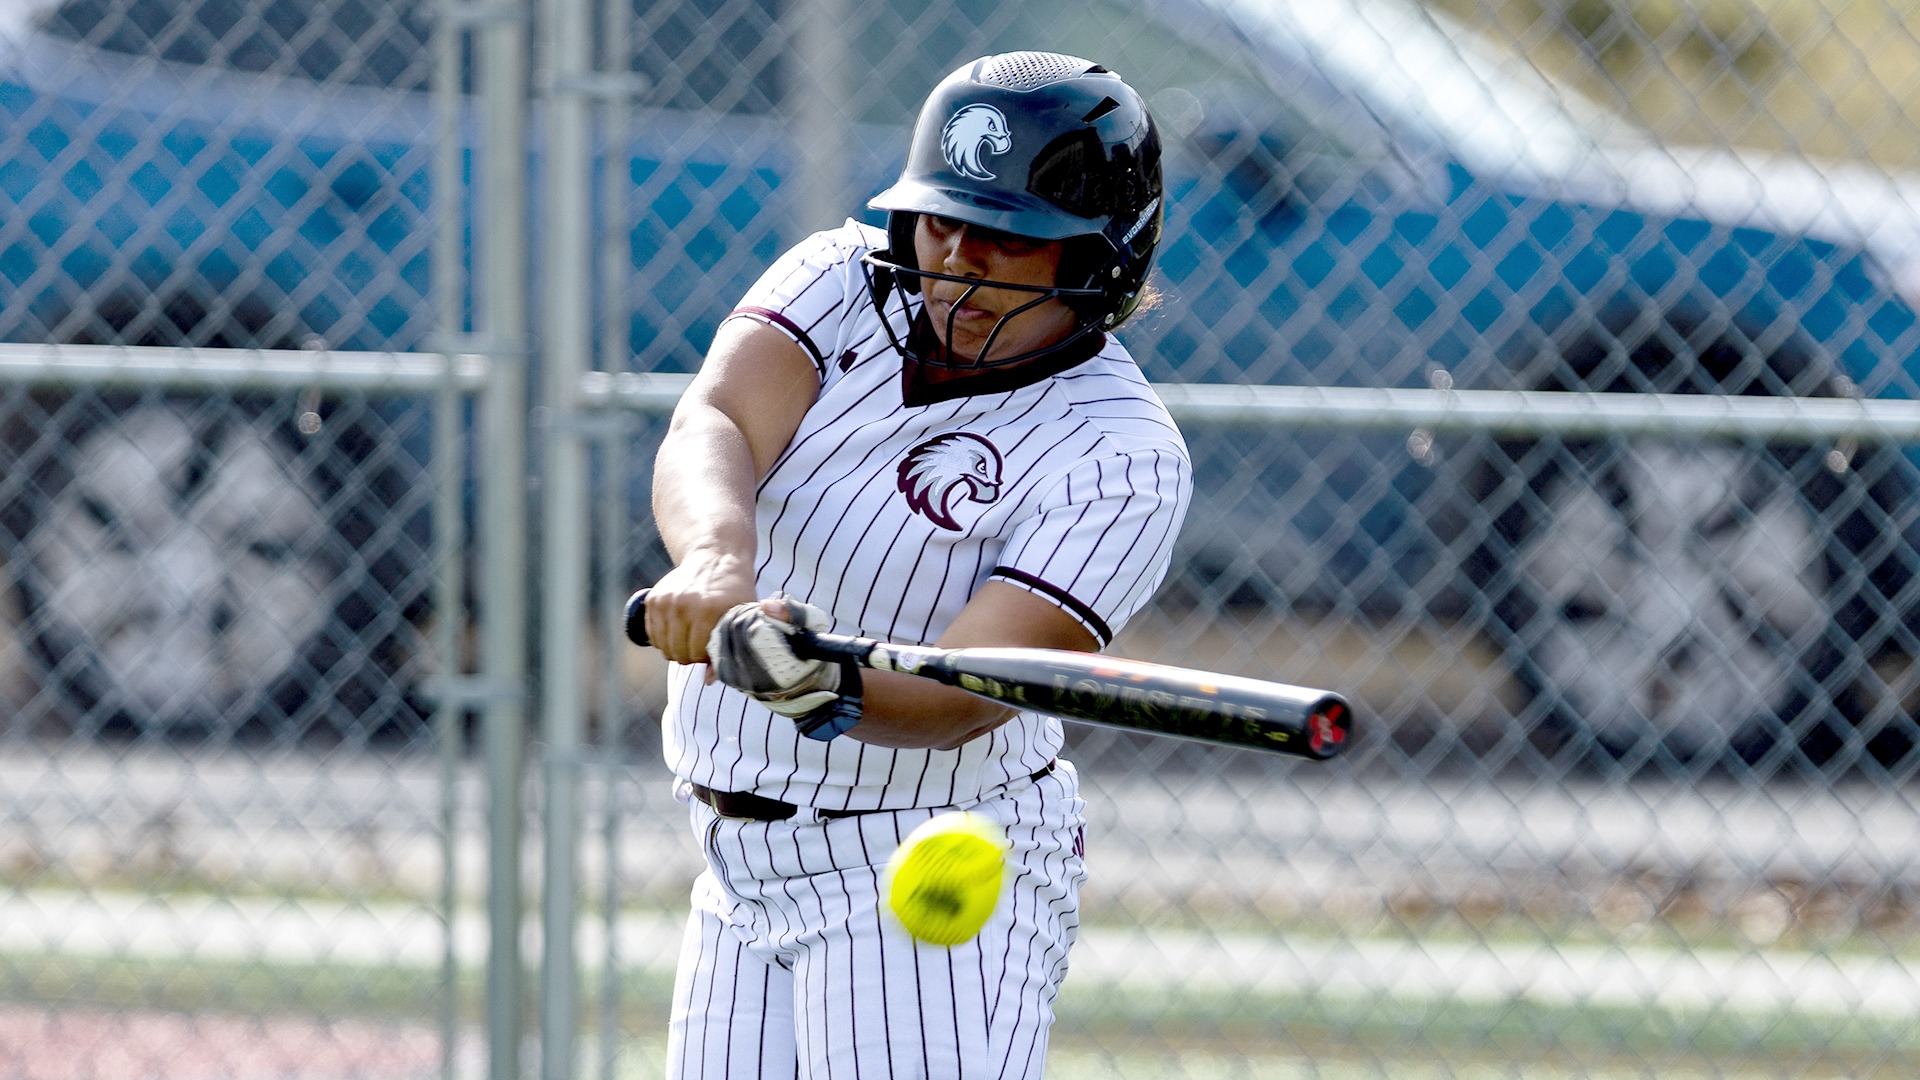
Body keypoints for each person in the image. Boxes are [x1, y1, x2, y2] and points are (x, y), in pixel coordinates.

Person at [641, 51, 1192, 1078]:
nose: (957, 265)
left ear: (1097, 261)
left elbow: (965, 694)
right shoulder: (838, 278)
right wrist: (717, 558)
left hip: (932, 862)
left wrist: (819, 685)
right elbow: (717, 415)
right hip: (738, 862)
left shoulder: (1122, 455)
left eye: (1007, 239)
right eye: (943, 222)